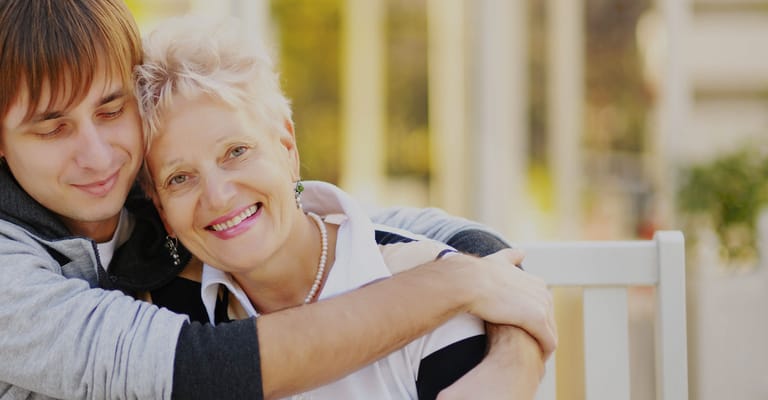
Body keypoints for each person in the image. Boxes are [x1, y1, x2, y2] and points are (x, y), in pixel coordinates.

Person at [0, 1, 555, 399]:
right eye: (52, 128)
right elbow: (204, 370)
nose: (97, 156)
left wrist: (509, 340)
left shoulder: (146, 210)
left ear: (287, 145)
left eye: (110, 110)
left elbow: (375, 226)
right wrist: (455, 283)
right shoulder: (20, 272)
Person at [133, 14, 499, 399]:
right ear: (161, 210)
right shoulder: (166, 318)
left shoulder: (434, 281)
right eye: (180, 178)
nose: (218, 196)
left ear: (287, 149)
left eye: (236, 152)